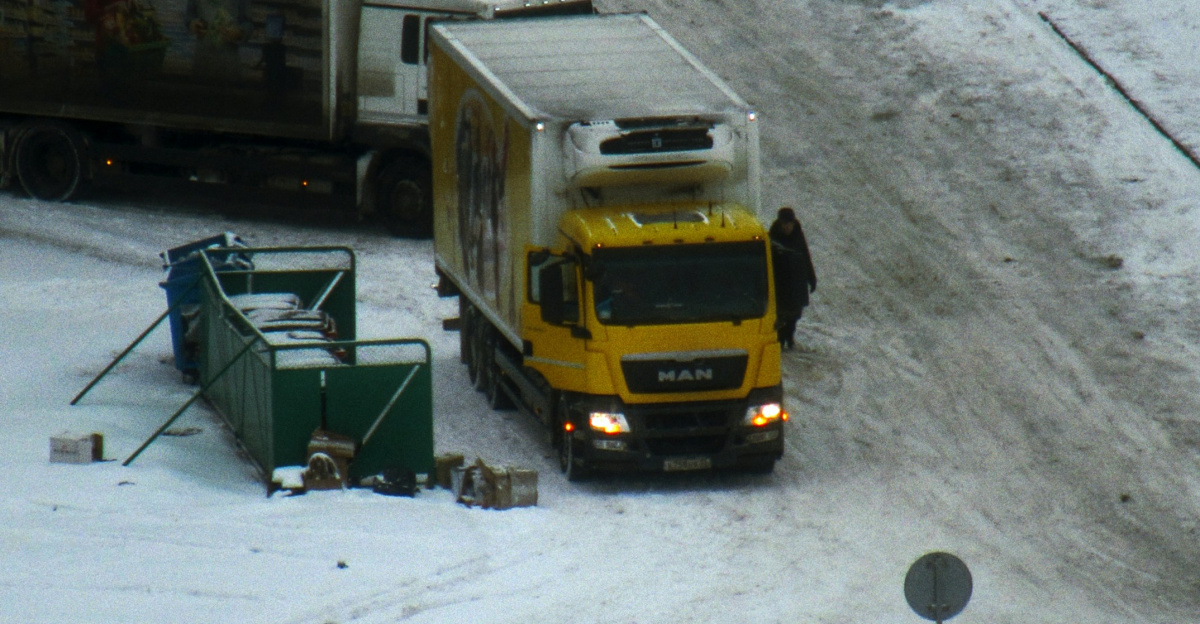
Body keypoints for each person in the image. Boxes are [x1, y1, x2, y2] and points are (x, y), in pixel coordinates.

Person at [768, 207, 817, 349]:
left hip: (796, 282)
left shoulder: (798, 237)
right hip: (780, 283)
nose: (787, 227)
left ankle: (789, 338)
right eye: (785, 224)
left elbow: (805, 257)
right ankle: (781, 338)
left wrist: (811, 278)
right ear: (780, 223)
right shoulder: (773, 237)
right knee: (781, 313)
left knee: (794, 315)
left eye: (789, 224)